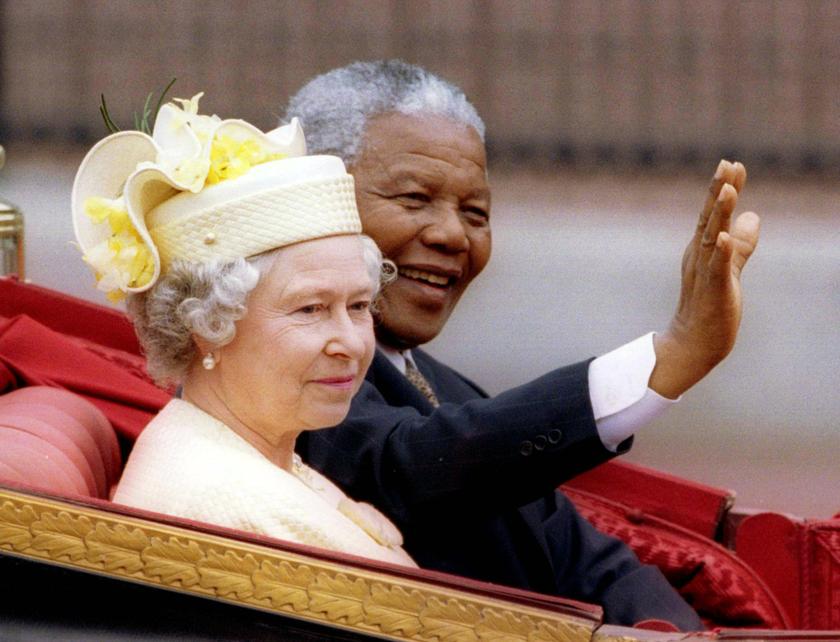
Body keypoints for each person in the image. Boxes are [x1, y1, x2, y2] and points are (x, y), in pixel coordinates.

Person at [287, 60, 760, 628]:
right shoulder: (274, 365)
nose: (452, 234)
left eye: (475, 213)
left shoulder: (447, 390)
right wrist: (673, 356)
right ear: (310, 195)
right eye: (414, 199)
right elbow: (412, 464)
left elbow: (594, 566)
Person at [71, 93, 414, 567]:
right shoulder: (231, 509)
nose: (352, 343)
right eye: (311, 309)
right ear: (206, 324)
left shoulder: (247, 450)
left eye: (358, 305)